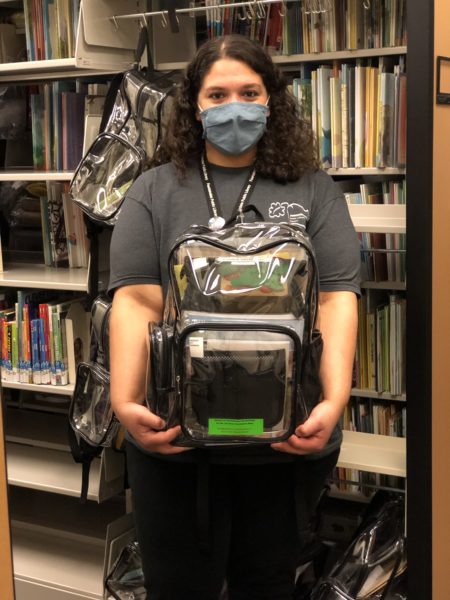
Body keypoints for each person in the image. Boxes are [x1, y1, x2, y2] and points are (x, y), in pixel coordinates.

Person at [108, 34, 360, 600]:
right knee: (178, 587)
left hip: (286, 441)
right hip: (175, 441)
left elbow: (336, 298)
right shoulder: (154, 189)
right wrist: (125, 402)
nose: (234, 106)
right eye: (217, 94)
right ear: (194, 106)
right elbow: (136, 299)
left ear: (272, 100)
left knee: (267, 584)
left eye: (249, 92)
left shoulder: (314, 190)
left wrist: (334, 400)